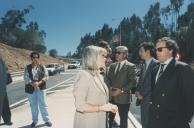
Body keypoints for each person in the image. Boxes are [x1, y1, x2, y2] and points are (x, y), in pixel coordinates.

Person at [148, 37, 194, 128]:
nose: (157, 52)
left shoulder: (182, 68)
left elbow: (190, 98)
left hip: (174, 122)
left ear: (170, 50)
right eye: (155, 50)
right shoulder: (155, 69)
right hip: (154, 122)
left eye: (160, 49)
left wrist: (182, 119)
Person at [73, 45, 118, 128]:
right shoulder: (84, 75)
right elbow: (80, 105)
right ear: (93, 57)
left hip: (99, 121)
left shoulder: (98, 75)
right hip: (88, 123)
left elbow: (100, 99)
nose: (106, 59)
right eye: (103, 56)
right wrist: (102, 108)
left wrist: (109, 106)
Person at [106, 46, 136, 128]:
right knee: (110, 119)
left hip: (123, 98)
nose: (116, 54)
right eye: (116, 52)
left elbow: (133, 82)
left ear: (125, 54)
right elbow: (108, 79)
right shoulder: (112, 66)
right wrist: (110, 90)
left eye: (119, 53)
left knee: (123, 120)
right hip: (112, 97)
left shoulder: (131, 66)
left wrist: (121, 90)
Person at [24, 52, 52, 128]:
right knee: (33, 106)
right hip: (30, 89)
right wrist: (33, 84)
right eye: (33, 57)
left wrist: (38, 83)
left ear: (38, 58)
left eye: (36, 57)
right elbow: (26, 78)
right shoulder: (27, 67)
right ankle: (34, 121)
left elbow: (46, 76)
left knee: (43, 104)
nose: (35, 59)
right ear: (31, 58)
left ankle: (46, 120)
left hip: (41, 88)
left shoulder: (42, 66)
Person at [135, 42, 158, 128]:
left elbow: (154, 85)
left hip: (150, 101)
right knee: (144, 123)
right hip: (143, 100)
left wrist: (143, 95)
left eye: (141, 51)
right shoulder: (143, 65)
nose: (139, 53)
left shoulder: (156, 64)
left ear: (148, 52)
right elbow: (141, 81)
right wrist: (137, 91)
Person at [0, 56, 13, 126]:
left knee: (5, 104)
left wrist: (7, 74)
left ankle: (7, 120)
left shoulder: (1, 60)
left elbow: (6, 69)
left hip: (2, 86)